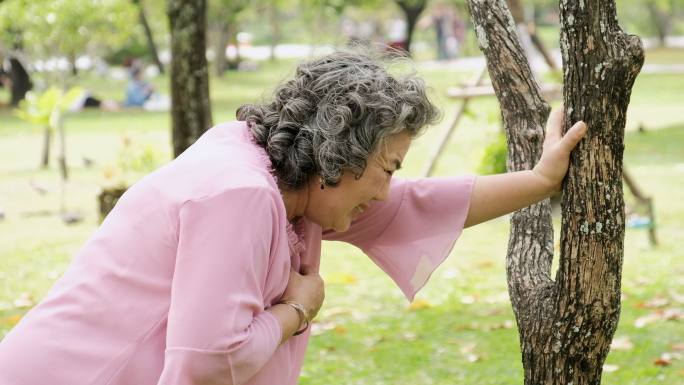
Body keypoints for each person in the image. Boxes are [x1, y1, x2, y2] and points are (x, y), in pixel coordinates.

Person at [0, 50, 587, 384]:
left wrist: (539, 182)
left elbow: (415, 205)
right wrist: (297, 310)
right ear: (343, 152)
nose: (386, 190)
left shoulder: (292, 186)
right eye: (388, 167)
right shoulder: (240, 193)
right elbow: (210, 360)